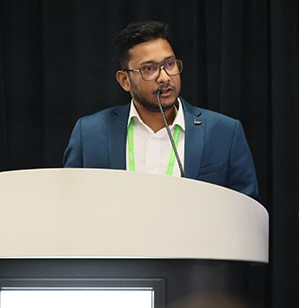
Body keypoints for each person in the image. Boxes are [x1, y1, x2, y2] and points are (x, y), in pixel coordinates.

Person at [63, 20, 259, 199]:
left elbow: (246, 210)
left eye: (169, 64)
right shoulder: (90, 133)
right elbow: (70, 205)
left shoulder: (224, 132)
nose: (164, 77)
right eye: (149, 69)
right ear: (125, 81)